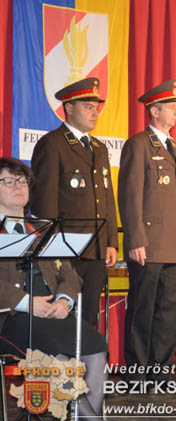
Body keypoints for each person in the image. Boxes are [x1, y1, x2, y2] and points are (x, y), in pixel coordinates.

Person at [0, 157, 109, 421]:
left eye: (23, 180)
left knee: (96, 347)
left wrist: (64, 301)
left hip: (54, 314)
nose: (19, 186)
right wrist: (27, 303)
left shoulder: (42, 228)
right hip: (12, 319)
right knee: (57, 356)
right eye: (9, 181)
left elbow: (69, 275)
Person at [118, 80, 176, 382]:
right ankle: (137, 374)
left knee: (168, 313)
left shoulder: (174, 147)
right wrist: (135, 238)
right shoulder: (139, 144)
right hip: (149, 244)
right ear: (154, 111)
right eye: (172, 108)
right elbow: (130, 194)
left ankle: (160, 372)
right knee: (142, 311)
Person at [30, 77, 118, 328]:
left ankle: (87, 366)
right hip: (67, 248)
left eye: (96, 107)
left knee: (89, 317)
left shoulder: (99, 148)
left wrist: (111, 241)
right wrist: (52, 248)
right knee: (65, 318)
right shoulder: (53, 144)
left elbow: (106, 198)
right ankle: (66, 367)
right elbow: (44, 203)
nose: (95, 112)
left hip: (97, 248)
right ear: (68, 108)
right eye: (88, 106)